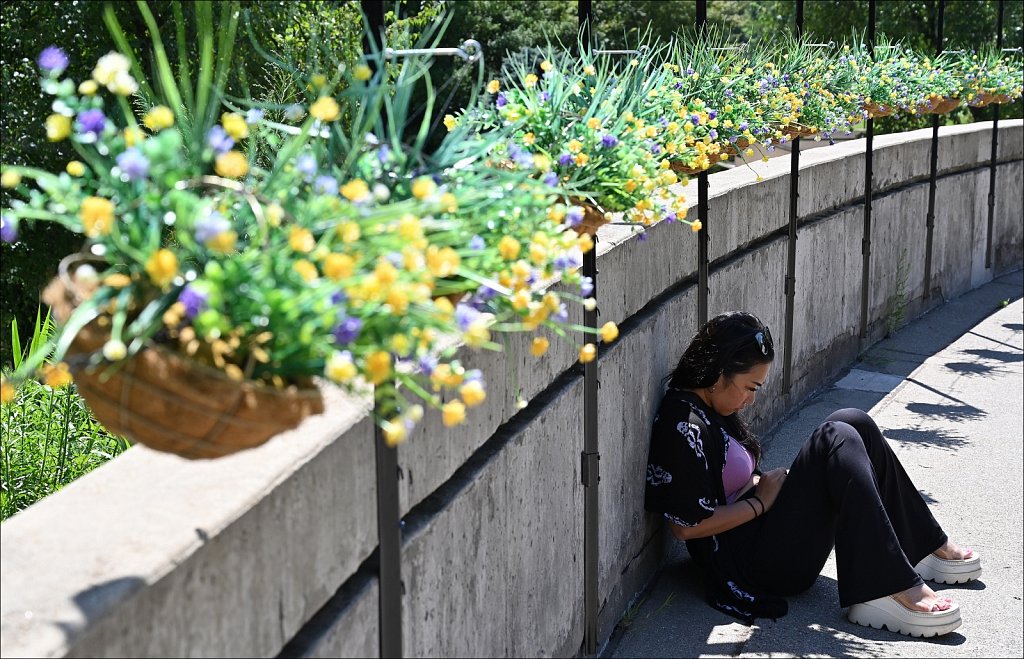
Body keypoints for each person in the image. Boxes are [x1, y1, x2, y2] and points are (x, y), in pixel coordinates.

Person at [644, 311, 982, 637]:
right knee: (835, 436)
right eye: (750, 387)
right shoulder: (683, 424)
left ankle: (921, 546)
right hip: (753, 564)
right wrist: (759, 504)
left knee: (854, 421)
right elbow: (686, 528)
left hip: (764, 534)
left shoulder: (709, 407)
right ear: (719, 374)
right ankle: (884, 588)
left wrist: (771, 485)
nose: (751, 400)